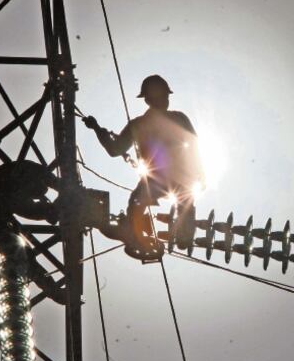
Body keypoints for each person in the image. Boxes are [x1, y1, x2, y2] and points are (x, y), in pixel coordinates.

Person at [82, 74, 204, 257]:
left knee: (141, 201)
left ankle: (144, 233)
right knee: (141, 202)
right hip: (169, 179)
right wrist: (97, 129)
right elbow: (116, 149)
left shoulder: (146, 123)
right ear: (148, 99)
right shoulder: (149, 123)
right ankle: (142, 234)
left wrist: (200, 173)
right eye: (162, 96)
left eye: (165, 96)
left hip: (165, 179)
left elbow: (193, 145)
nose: (165, 100)